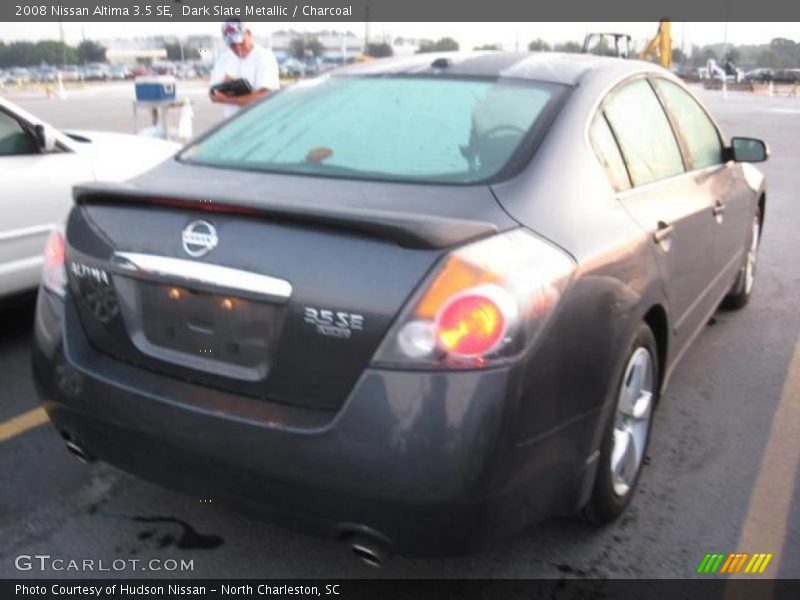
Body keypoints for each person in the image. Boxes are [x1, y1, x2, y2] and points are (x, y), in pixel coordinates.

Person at [209, 20, 280, 118]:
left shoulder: (264, 57)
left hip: (260, 124)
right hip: (231, 124)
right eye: (232, 45)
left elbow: (265, 96)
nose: (238, 48)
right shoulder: (223, 59)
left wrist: (227, 99)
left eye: (241, 42)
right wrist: (226, 88)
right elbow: (212, 95)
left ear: (249, 34)